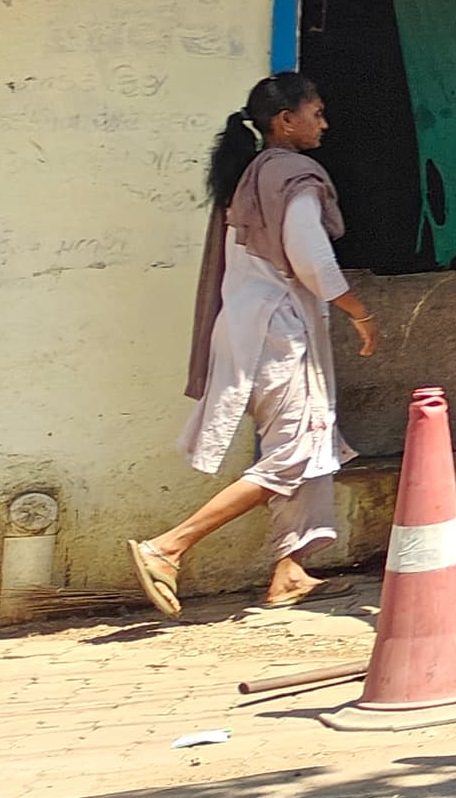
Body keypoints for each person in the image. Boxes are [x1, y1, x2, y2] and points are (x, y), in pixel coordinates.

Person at [136, 71, 380, 614]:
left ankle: (290, 571)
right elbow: (311, 258)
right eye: (315, 113)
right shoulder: (292, 174)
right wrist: (358, 311)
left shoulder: (251, 175)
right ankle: (168, 546)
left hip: (254, 329)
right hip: (278, 331)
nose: (324, 122)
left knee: (307, 440)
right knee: (294, 453)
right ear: (284, 122)